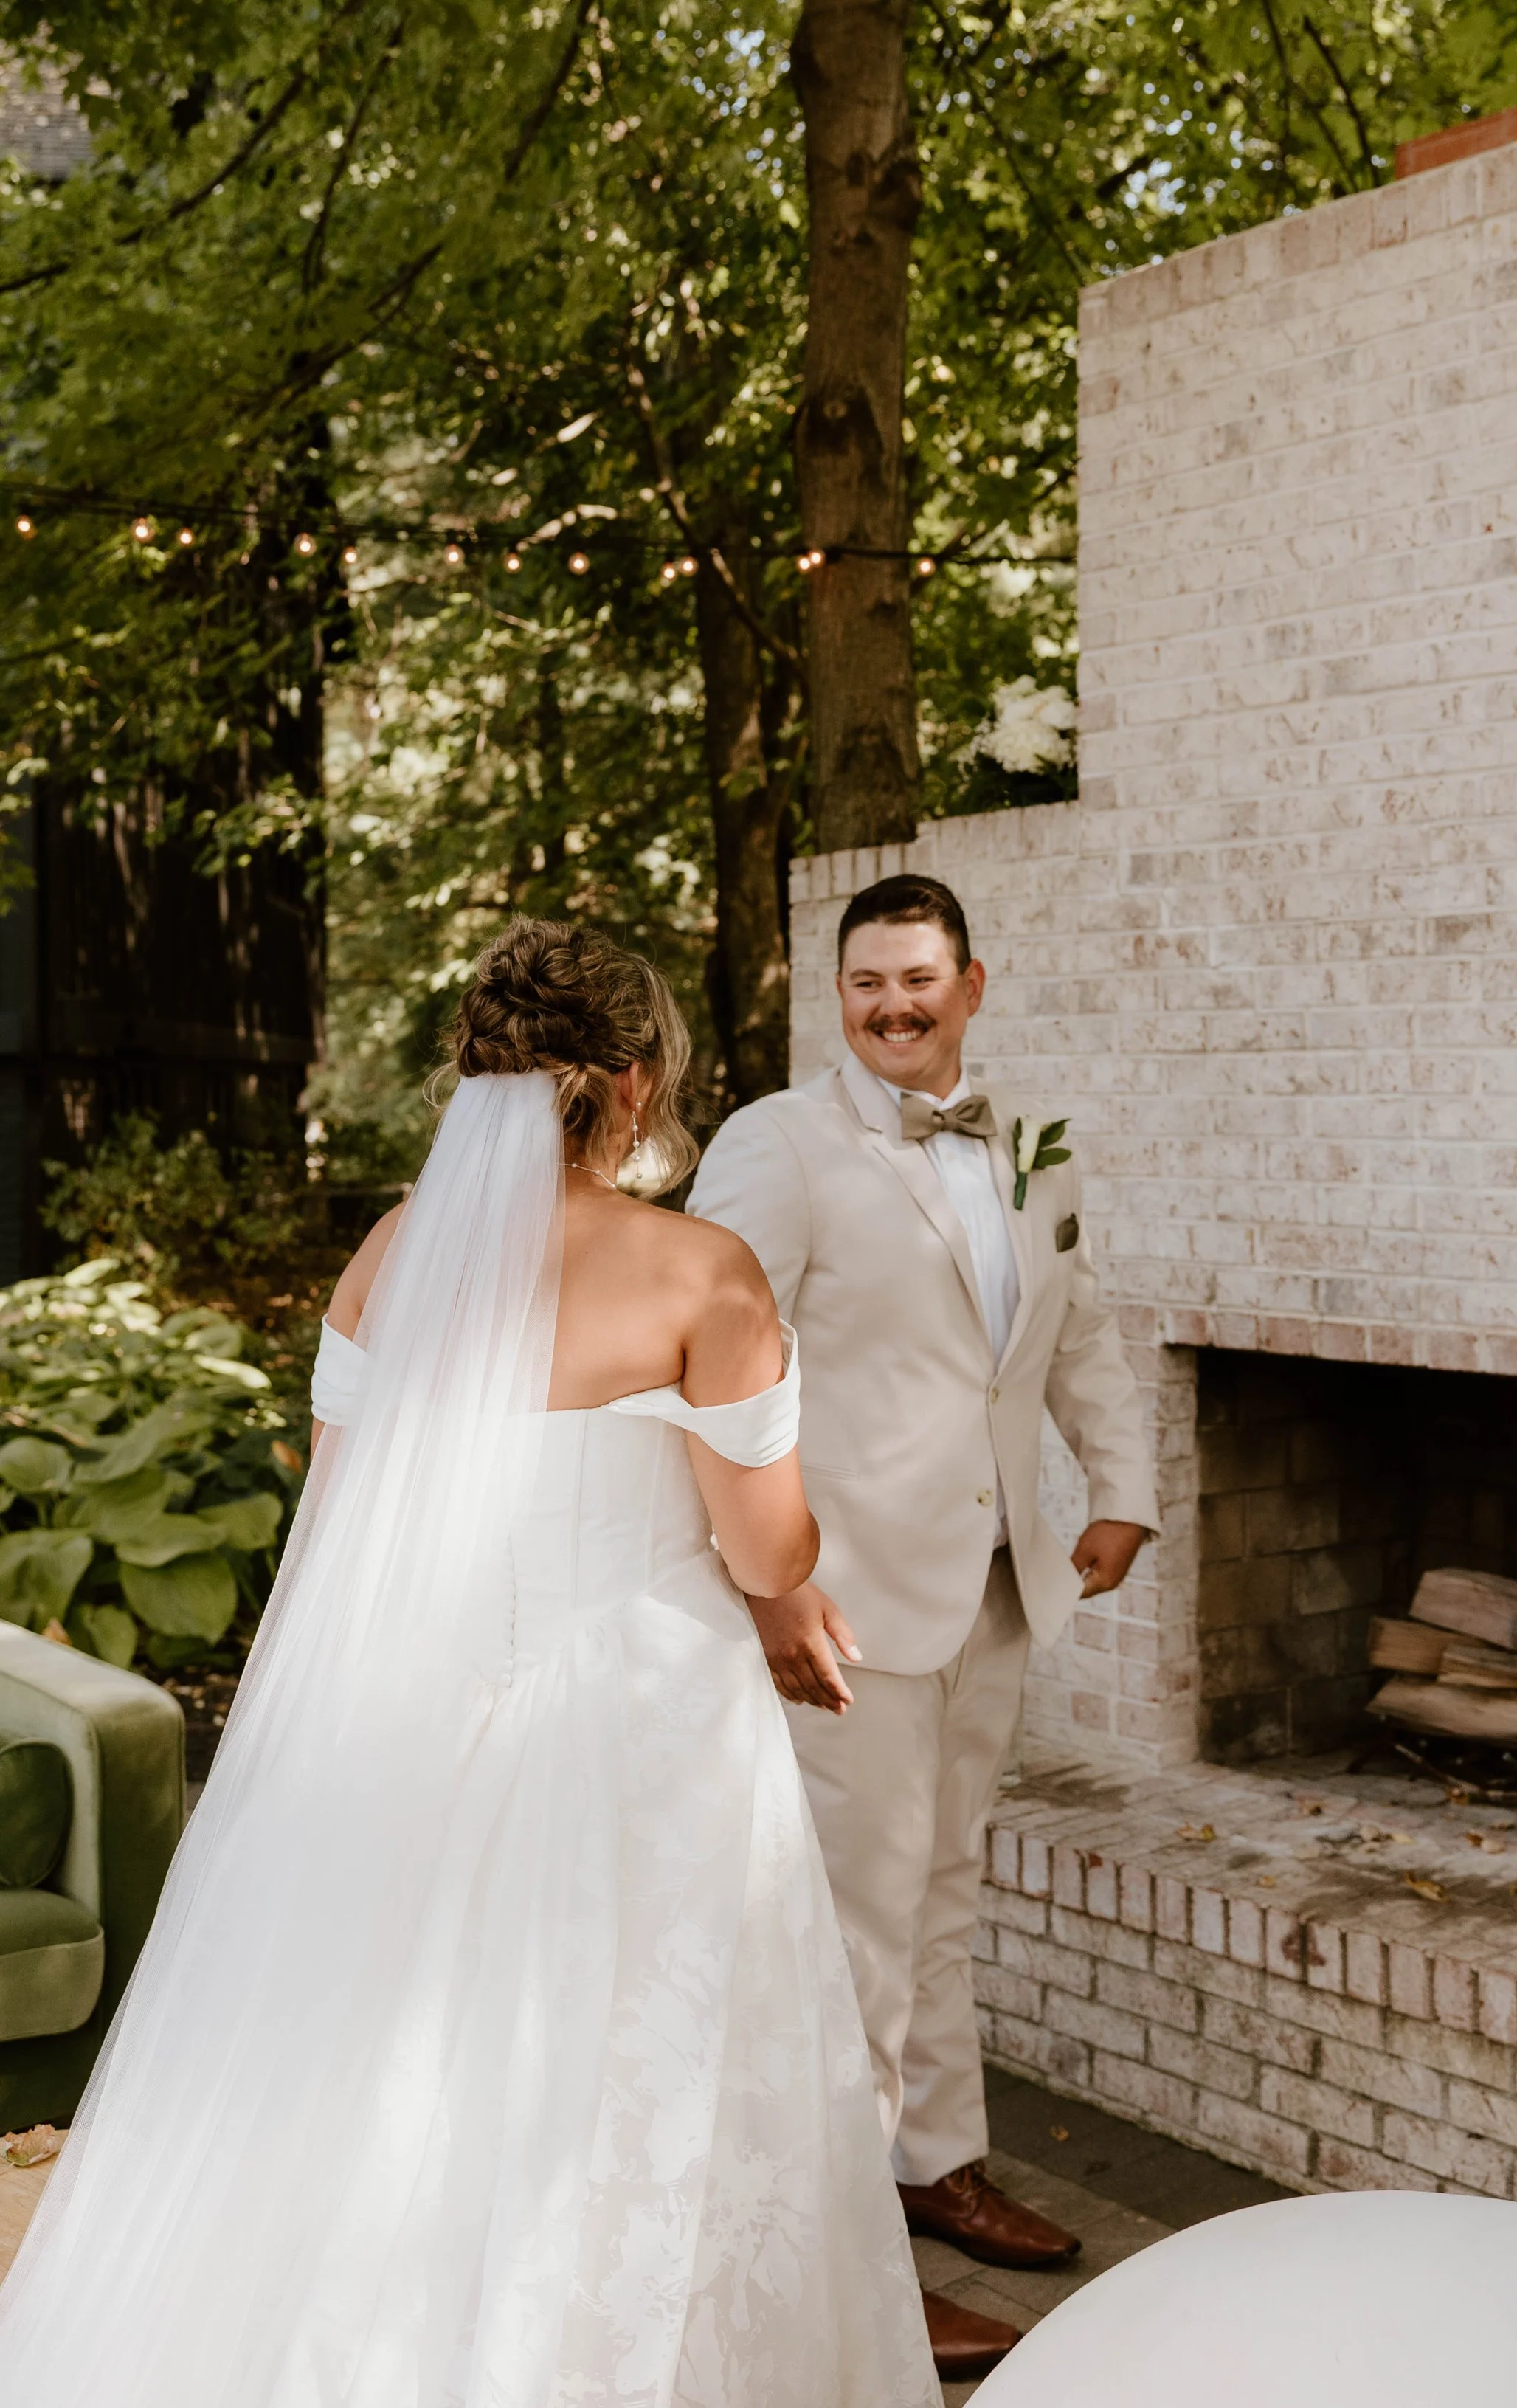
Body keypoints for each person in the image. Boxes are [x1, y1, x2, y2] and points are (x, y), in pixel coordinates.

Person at [0, 920, 936, 2408]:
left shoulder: (387, 1261)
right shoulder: (705, 1273)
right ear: (631, 1084)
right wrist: (794, 1542)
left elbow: (339, 1514)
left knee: (394, 2081)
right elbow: (767, 1558)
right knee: (631, 2086)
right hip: (647, 1734)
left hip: (407, 1725)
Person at [688, 871, 1160, 2381]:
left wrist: (1123, 1489)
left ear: (971, 983)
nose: (890, 1006)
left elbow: (1074, 1327)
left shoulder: (1034, 1138)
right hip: (841, 1603)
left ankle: (935, 2166)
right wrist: (764, 1583)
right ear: (838, 996)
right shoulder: (774, 1144)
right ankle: (856, 2273)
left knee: (940, 1897)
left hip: (995, 1582)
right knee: (848, 1936)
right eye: (863, 984)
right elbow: (712, 1367)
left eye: (916, 980)